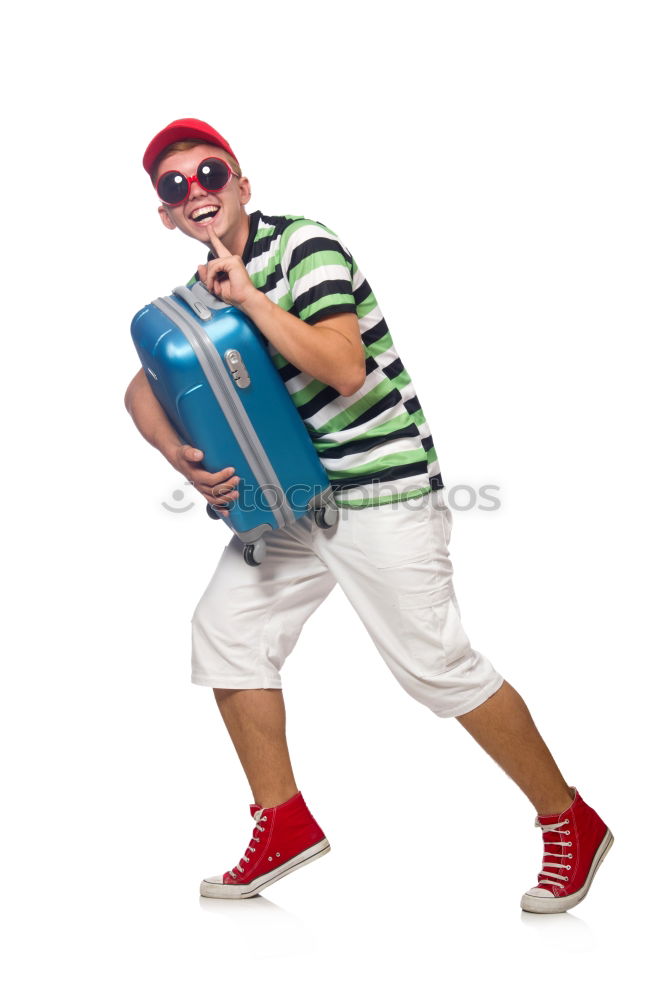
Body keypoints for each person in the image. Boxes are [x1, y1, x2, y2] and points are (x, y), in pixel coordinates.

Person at [125, 118, 613, 912]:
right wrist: (172, 450)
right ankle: (282, 819)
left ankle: (570, 819)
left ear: (242, 184)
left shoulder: (302, 247)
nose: (197, 193)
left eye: (210, 174)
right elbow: (140, 388)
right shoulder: (195, 293)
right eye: (175, 188)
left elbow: (345, 368)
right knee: (226, 632)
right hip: (294, 501)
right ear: (166, 215)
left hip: (379, 487)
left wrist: (249, 299)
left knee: (436, 667)